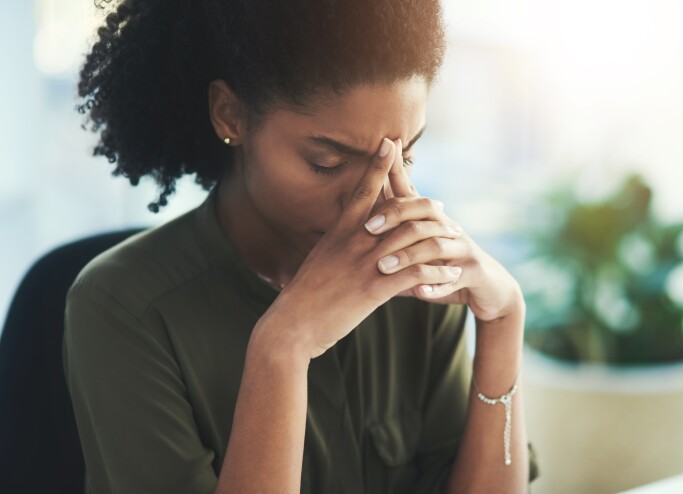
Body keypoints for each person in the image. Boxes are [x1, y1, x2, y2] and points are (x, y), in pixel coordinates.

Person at [63, 0, 539, 492]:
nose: (378, 199)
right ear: (231, 116)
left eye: (405, 155)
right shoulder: (122, 309)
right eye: (328, 162)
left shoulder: (415, 278)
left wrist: (503, 320)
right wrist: (282, 348)